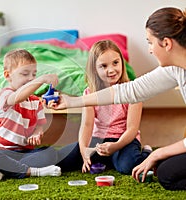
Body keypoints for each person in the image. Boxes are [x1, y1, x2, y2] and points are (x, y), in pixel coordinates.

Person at [48, 7, 186, 190]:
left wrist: (156, 154)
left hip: (125, 143)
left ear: (166, 43)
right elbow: (130, 91)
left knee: (163, 170)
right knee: (167, 173)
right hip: (103, 142)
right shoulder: (175, 69)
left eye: (150, 42)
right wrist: (71, 102)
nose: (150, 50)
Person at [56, 40, 151, 175]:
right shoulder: (90, 93)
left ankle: (146, 152)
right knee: (62, 160)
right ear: (94, 69)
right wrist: (84, 151)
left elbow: (132, 129)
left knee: (129, 166)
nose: (111, 70)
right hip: (98, 141)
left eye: (115, 63)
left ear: (122, 63)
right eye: (104, 66)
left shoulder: (133, 91)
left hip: (123, 141)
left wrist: (115, 146)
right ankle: (108, 159)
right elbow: (87, 125)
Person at [0, 49, 61, 181]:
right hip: (0, 150)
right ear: (8, 76)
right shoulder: (5, 94)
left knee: (50, 153)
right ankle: (34, 172)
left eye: (34, 74)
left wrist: (37, 133)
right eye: (25, 74)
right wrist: (40, 80)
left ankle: (7, 170)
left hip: (23, 153)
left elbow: (39, 126)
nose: (31, 78)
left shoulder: (36, 102)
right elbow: (17, 98)